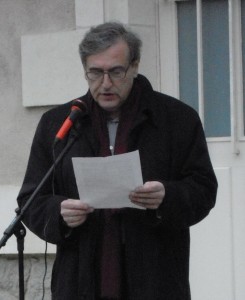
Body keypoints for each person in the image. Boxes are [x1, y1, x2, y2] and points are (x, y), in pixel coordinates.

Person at [17, 22, 218, 300]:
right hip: (80, 280)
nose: (106, 83)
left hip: (155, 277)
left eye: (116, 71)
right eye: (96, 73)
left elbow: (204, 190)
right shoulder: (60, 123)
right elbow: (31, 199)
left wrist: (166, 196)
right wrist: (59, 212)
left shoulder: (177, 119)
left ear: (134, 66)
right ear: (85, 70)